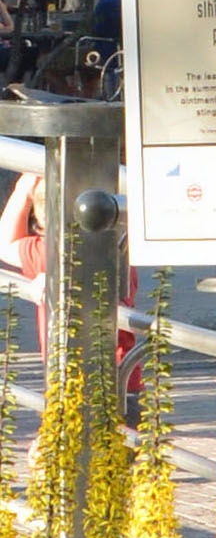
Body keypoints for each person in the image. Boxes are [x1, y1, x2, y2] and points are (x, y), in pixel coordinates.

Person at [0, 174, 142, 420]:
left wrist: (22, 190)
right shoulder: (117, 250)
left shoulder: (48, 254)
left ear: (44, 217)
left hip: (74, 380)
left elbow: (5, 245)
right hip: (124, 377)